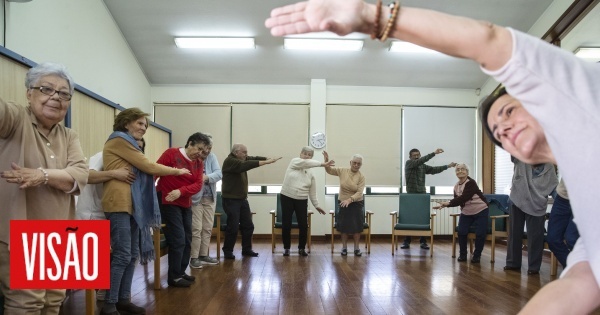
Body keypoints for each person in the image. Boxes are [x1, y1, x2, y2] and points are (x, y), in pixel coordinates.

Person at [266, 1, 600, 312]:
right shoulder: (582, 198)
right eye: (498, 133)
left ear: (536, 98)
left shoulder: (589, 103)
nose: (506, 128)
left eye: (509, 111)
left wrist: (373, 16)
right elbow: (582, 281)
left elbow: (489, 39)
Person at [0, 62, 88, 314]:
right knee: (27, 303)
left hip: (61, 231)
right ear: (29, 93)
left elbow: (80, 175)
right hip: (20, 231)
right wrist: (61, 176)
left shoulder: (69, 135)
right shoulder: (15, 118)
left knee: (53, 301)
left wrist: (42, 175)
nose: (55, 98)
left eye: (63, 94)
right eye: (46, 89)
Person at [102, 108, 190, 314]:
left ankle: (123, 300)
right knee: (123, 255)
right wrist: (177, 170)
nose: (143, 128)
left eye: (145, 125)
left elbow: (143, 167)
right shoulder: (118, 140)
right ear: (126, 123)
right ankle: (108, 304)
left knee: (132, 254)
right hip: (118, 203)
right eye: (139, 123)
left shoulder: (130, 144)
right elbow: (148, 166)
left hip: (132, 204)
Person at [156, 132, 211, 288]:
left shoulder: (198, 163)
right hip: (167, 202)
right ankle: (173, 277)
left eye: (203, 151)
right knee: (178, 239)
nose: (200, 154)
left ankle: (180, 272)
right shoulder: (171, 153)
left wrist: (181, 191)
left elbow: (198, 184)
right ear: (190, 143)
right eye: (199, 149)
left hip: (184, 202)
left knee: (188, 239)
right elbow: (156, 171)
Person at [221, 144, 281, 259]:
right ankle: (228, 251)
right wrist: (266, 162)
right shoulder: (230, 161)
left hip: (242, 200)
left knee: (248, 225)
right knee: (232, 226)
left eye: (246, 152)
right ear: (236, 152)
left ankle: (246, 249)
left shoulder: (241, 158)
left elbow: (252, 158)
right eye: (244, 152)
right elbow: (246, 165)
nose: (246, 154)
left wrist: (266, 159)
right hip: (231, 200)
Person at [504, 158, 557, 275]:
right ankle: (513, 263)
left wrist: (562, 202)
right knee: (514, 234)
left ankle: (534, 267)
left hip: (537, 204)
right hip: (518, 199)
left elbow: (553, 186)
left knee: (536, 237)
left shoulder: (549, 167)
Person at [280, 146, 333, 256]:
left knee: (303, 225)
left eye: (309, 155)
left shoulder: (311, 174)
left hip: (301, 200)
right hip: (287, 197)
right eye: (305, 154)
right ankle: (286, 248)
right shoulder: (294, 162)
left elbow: (312, 192)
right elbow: (306, 163)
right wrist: (323, 164)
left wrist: (317, 205)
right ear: (300, 154)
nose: (307, 156)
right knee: (286, 224)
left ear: (312, 157)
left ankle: (301, 248)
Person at [434, 164, 488, 263]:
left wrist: (448, 203)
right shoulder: (456, 186)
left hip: (481, 210)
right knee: (461, 232)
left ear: (467, 172)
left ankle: (477, 256)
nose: (460, 171)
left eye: (462, 169)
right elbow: (457, 200)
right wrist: (445, 205)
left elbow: (464, 197)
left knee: (480, 233)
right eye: (457, 170)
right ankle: (463, 255)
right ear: (456, 173)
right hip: (466, 212)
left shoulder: (471, 183)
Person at [403, 148, 457, 249]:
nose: (416, 156)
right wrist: (434, 153)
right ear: (410, 157)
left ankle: (423, 241)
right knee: (409, 217)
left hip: (422, 194)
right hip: (411, 195)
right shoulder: (409, 163)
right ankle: (407, 241)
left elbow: (434, 170)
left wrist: (448, 166)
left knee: (423, 217)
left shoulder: (422, 166)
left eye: (418, 155)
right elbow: (420, 161)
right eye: (414, 155)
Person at [189, 136, 222, 269]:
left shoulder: (212, 157)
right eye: (205, 148)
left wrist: (206, 177)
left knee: (207, 228)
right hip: (195, 199)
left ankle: (203, 255)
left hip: (210, 198)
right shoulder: (191, 157)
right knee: (196, 228)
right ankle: (194, 257)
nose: (207, 150)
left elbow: (219, 174)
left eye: (209, 148)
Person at [323, 151, 365, 256]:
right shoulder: (342, 171)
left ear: (361, 165)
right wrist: (326, 161)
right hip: (343, 203)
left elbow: (360, 193)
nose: (356, 165)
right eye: (354, 163)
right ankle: (344, 248)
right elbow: (329, 170)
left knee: (356, 227)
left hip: (356, 204)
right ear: (350, 162)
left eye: (358, 164)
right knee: (344, 227)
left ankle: (356, 248)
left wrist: (350, 200)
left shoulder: (361, 177)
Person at [546, 179, 579, 269]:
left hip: (583, 200)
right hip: (562, 198)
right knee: (553, 239)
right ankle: (574, 269)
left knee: (572, 238)